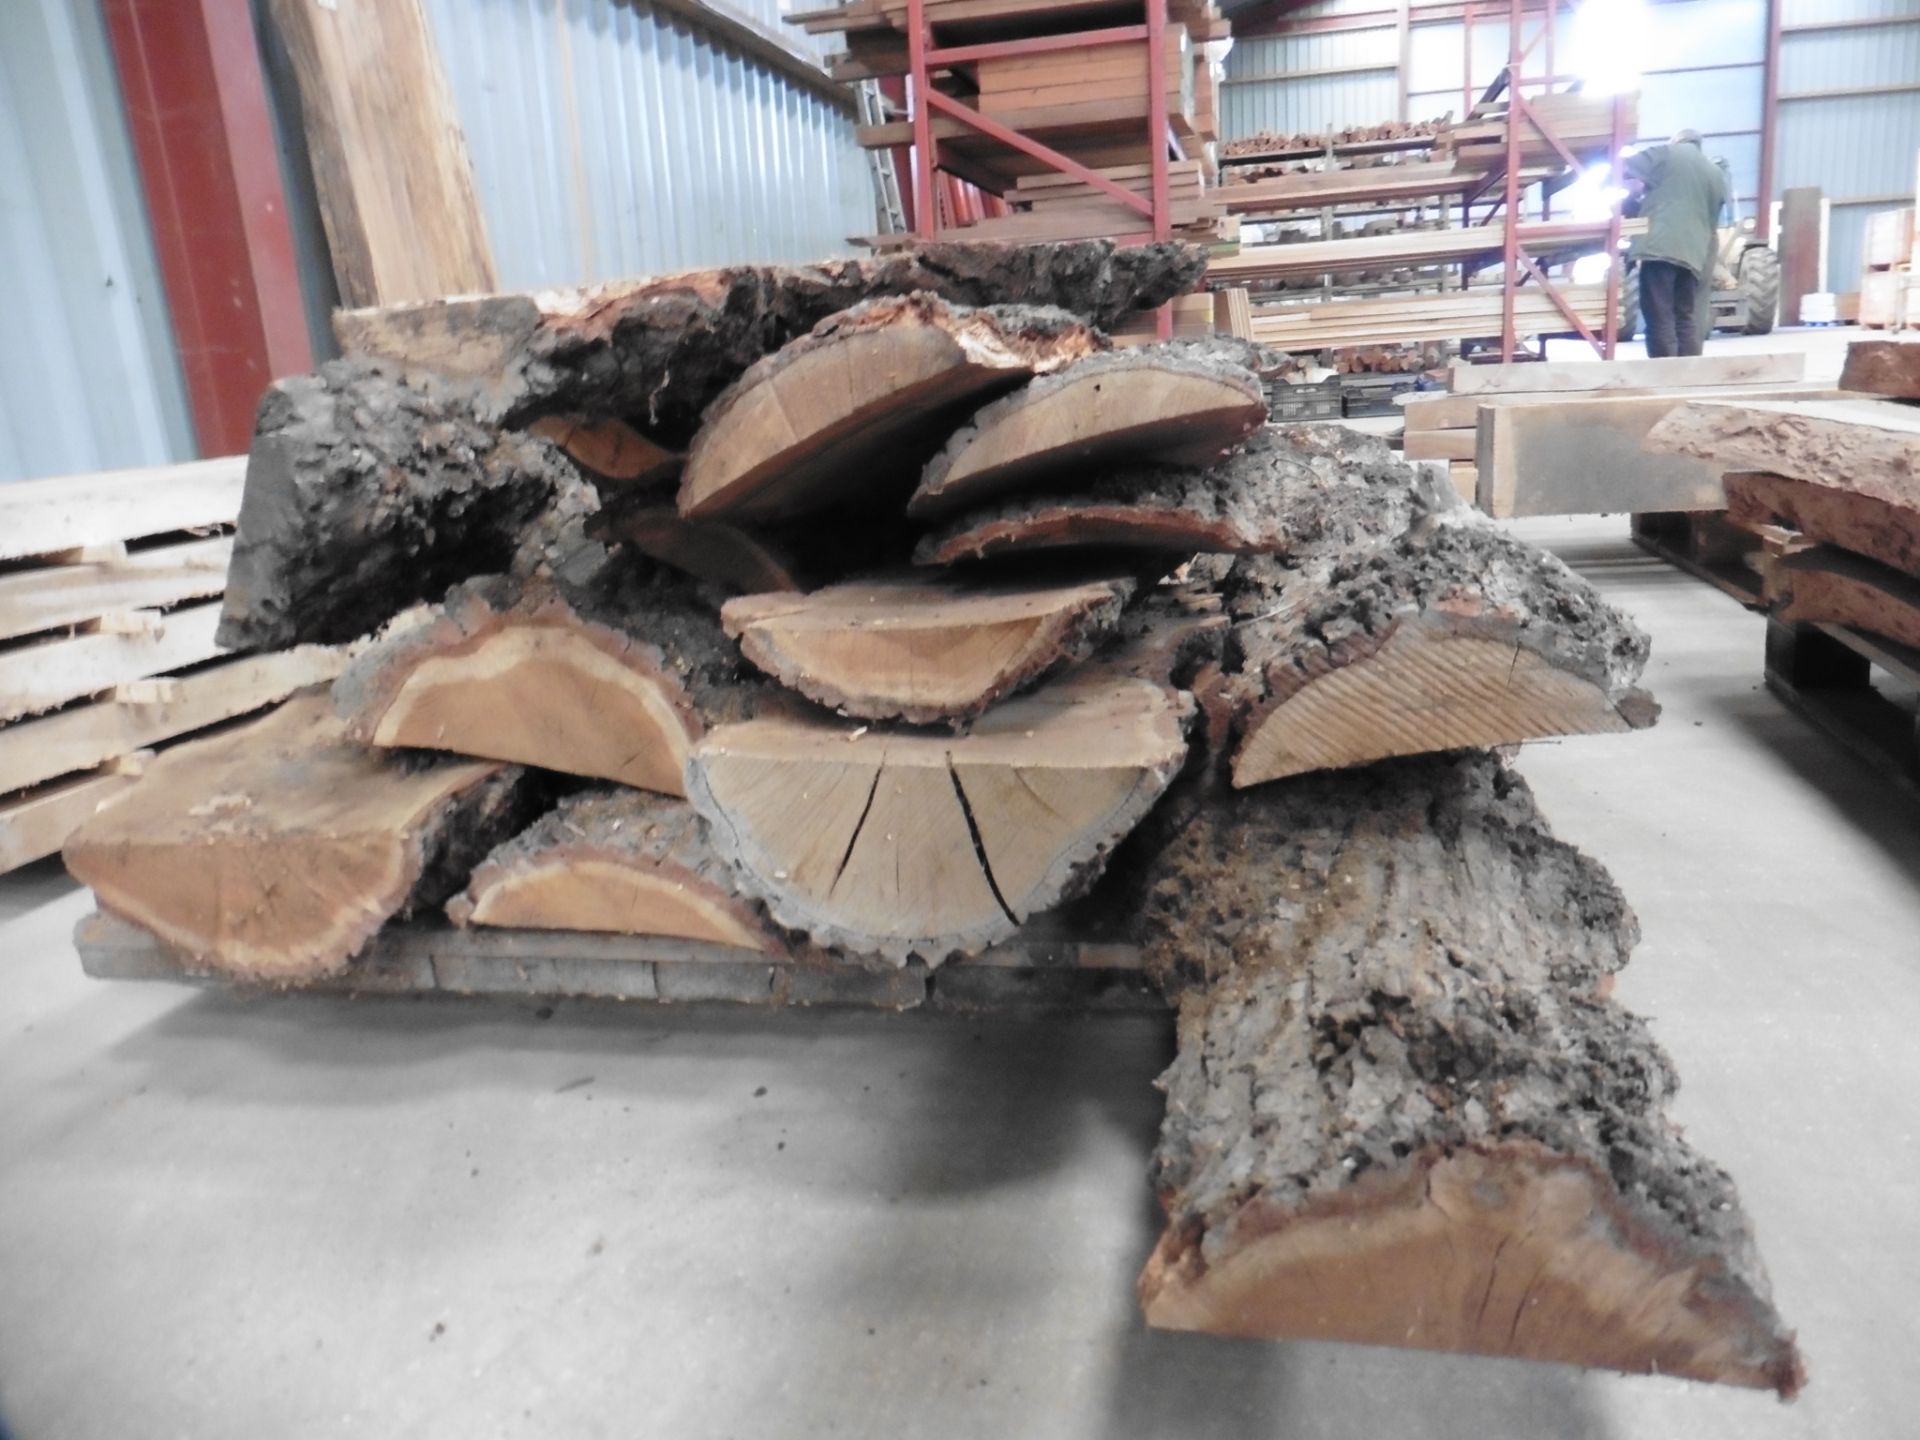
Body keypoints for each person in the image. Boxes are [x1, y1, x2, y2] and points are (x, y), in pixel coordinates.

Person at [1623, 130, 1728, 357]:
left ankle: (1665, 374)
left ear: (1676, 140)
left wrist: (1632, 196)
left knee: (1659, 313)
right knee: (1685, 315)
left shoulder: (1667, 153)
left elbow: (1623, 167)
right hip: (1695, 255)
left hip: (1660, 247)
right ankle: (1688, 373)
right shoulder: (1716, 173)